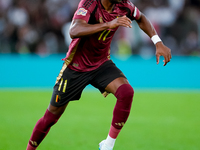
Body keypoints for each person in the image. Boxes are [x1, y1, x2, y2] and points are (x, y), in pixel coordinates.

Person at [26, 0, 172, 149]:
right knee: (50, 117)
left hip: (101, 64)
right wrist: (108, 24)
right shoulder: (89, 4)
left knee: (126, 92)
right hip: (76, 67)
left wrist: (157, 42)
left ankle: (108, 145)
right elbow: (74, 30)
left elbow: (141, 18)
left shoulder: (124, 5)